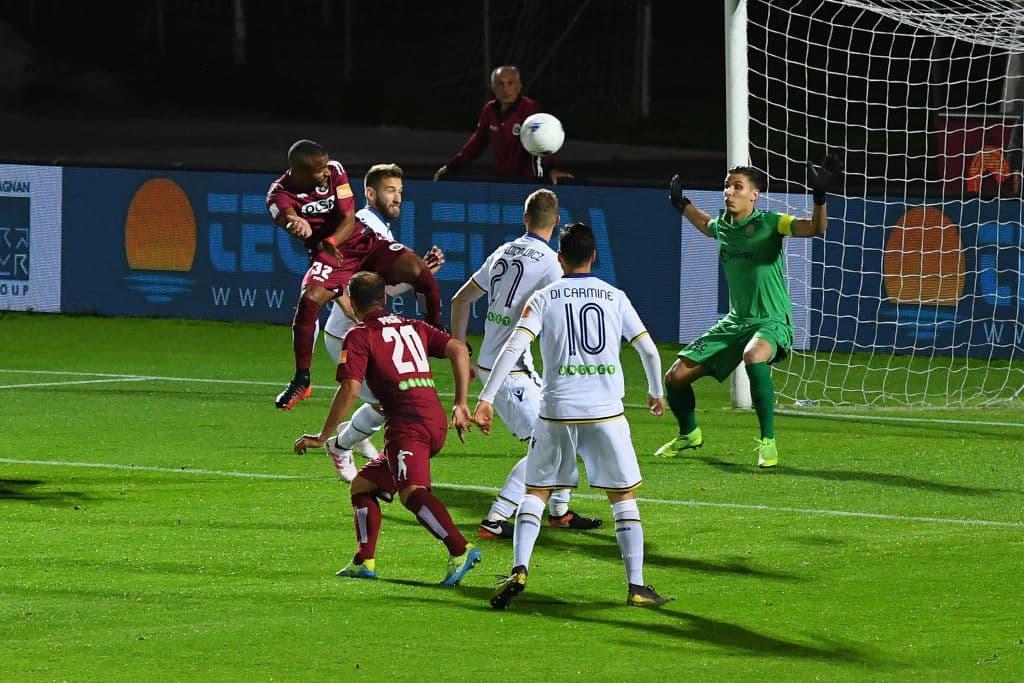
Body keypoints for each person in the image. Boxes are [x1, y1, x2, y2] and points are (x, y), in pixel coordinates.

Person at [473, 222, 669, 609]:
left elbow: (513, 346)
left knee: (536, 492)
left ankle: (519, 568)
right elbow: (647, 350)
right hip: (606, 413)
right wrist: (655, 391)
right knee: (622, 497)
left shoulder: (545, 297)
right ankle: (637, 586)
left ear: (560, 259)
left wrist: (486, 397)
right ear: (593, 256)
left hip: (556, 411)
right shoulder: (615, 296)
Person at [654, 156, 843, 467]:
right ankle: (689, 433)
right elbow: (705, 226)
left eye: (737, 187)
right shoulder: (725, 225)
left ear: (754, 195)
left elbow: (816, 228)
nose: (729, 192)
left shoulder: (771, 222)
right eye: (727, 186)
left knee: (753, 356)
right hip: (736, 321)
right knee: (675, 378)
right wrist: (682, 204)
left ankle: (768, 442)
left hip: (772, 320)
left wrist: (819, 197)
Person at [294, 271, 481, 585]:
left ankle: (460, 549)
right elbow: (459, 349)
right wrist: (461, 402)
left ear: (351, 303)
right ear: (384, 298)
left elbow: (350, 390)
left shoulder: (359, 335)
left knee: (412, 494)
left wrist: (323, 437)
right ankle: (363, 559)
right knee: (363, 486)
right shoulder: (413, 325)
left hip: (408, 426)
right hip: (433, 419)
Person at [450, 188, 601, 538]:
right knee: (546, 442)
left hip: (497, 363)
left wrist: (463, 351)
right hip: (512, 369)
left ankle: (560, 511)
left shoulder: (502, 252)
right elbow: (564, 314)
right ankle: (496, 518)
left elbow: (460, 301)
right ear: (557, 220)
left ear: (525, 218)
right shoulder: (551, 262)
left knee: (563, 435)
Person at [266, 140, 444, 411]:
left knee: (419, 271)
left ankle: (435, 330)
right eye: (319, 169)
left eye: (326, 165)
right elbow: (286, 216)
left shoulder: (336, 170)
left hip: (360, 241)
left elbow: (349, 219)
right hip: (331, 257)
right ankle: (302, 379)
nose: (326, 172)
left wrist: (332, 242)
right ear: (299, 171)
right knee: (309, 299)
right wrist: (295, 223)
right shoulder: (278, 194)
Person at [321, 163, 446, 481]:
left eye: (400, 191)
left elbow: (382, 290)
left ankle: (352, 440)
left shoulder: (380, 232)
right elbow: (332, 274)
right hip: (347, 334)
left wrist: (422, 273)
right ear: (370, 193)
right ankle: (341, 445)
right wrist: (352, 310)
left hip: (369, 334)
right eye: (391, 190)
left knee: (386, 401)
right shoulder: (359, 225)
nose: (398, 197)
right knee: (387, 402)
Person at [433, 65, 574, 185]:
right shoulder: (489, 110)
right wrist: (453, 166)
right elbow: (477, 142)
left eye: (510, 83)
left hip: (531, 181)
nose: (505, 89)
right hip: (503, 180)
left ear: (519, 87)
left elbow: (543, 139)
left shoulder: (529, 108)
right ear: (493, 88)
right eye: (500, 84)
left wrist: (552, 169)